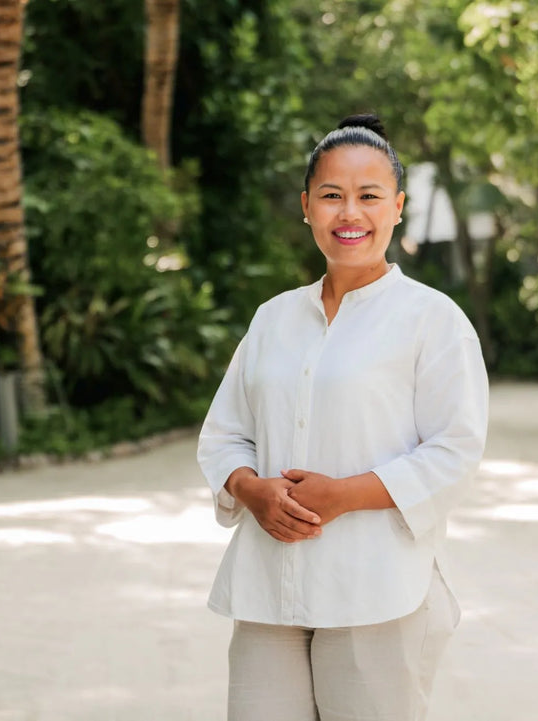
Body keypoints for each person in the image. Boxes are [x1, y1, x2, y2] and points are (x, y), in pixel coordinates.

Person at [197, 113, 489, 721]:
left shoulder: (432, 320)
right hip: (267, 589)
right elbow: (224, 433)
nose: (348, 213)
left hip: (374, 589)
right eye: (331, 196)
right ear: (306, 206)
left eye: (368, 196)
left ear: (398, 206)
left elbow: (454, 449)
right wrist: (250, 490)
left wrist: (343, 496)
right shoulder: (272, 319)